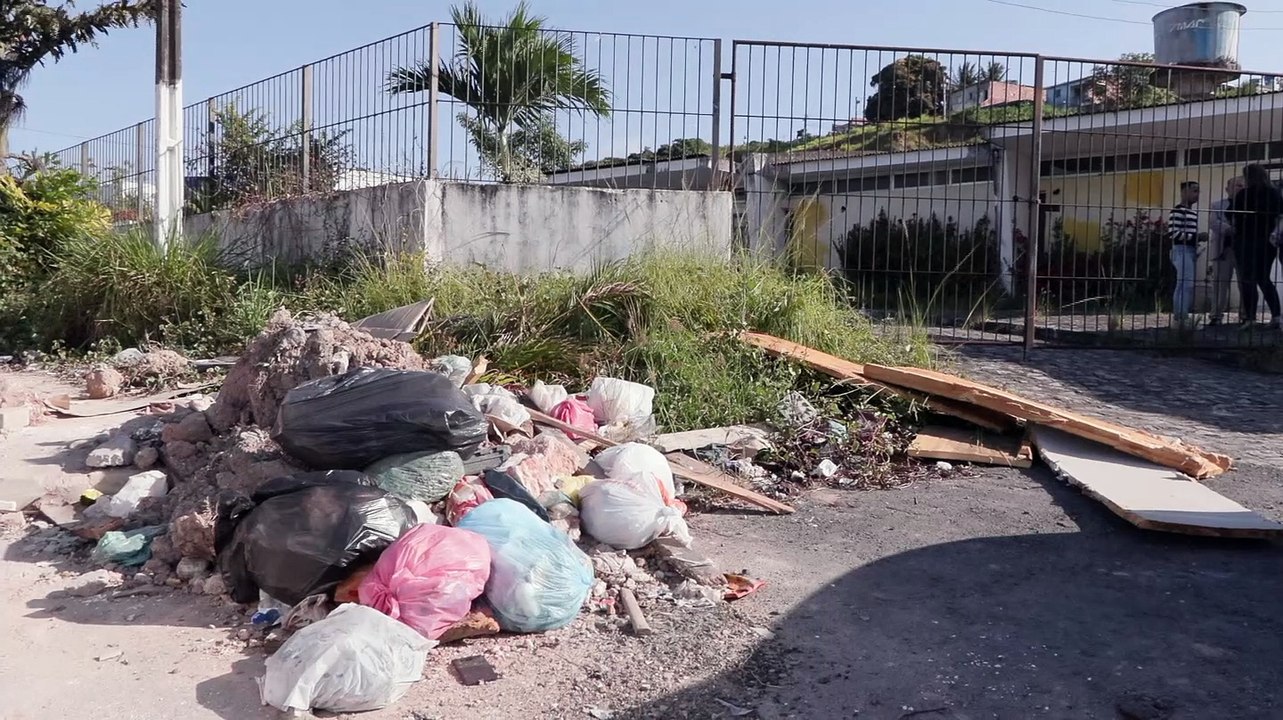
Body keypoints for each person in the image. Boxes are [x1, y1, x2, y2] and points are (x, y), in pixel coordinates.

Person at [1229, 164, 1283, 329]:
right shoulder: (1274, 194)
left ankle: (1250, 317)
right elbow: (1280, 215)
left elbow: (1231, 214)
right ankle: (1276, 316)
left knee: (1247, 279)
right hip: (1267, 242)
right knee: (1263, 278)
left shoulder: (1244, 195)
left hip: (1246, 240)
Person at [1208, 176, 1245, 326]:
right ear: (1227, 189)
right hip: (1222, 249)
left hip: (1242, 250)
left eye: (1242, 186)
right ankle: (1216, 315)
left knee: (1245, 283)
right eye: (1237, 186)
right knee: (1220, 283)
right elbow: (1213, 222)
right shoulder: (1217, 205)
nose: (1240, 188)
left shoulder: (1249, 205)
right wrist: (1230, 229)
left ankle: (1246, 314)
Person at [1165, 181, 1201, 324]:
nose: (1196, 194)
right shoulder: (1177, 211)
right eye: (1194, 191)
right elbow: (1173, 233)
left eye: (1198, 191)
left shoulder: (1192, 212)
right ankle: (1181, 316)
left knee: (1186, 284)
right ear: (1183, 192)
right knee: (1184, 284)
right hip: (1181, 250)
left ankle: (1181, 314)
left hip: (1190, 250)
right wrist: (1195, 237)